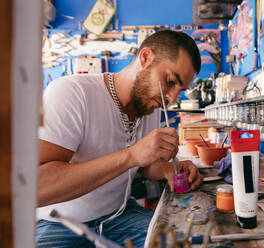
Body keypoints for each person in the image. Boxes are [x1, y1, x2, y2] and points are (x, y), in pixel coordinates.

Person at [37, 30, 203, 247]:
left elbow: (140, 167)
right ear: (145, 58)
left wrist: (165, 169)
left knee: (183, 242)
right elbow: (36, 188)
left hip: (120, 216)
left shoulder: (150, 109)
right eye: (170, 81)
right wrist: (131, 155)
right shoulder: (71, 93)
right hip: (59, 222)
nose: (171, 99)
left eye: (180, 90)